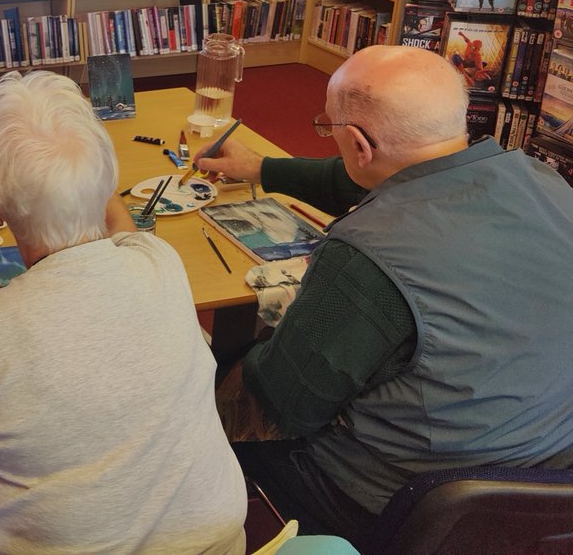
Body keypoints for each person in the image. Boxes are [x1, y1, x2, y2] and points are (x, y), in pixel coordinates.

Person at [196, 45, 573, 549]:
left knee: (219, 379)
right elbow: (385, 176)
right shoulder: (543, 181)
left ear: (355, 143)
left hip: (399, 502)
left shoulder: (366, 256)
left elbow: (277, 409)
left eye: (329, 129)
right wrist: (263, 167)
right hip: (543, 483)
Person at [0, 70, 247, 554]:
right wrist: (84, 175)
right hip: (214, 544)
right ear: (103, 180)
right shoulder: (158, 262)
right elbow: (123, 229)